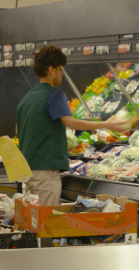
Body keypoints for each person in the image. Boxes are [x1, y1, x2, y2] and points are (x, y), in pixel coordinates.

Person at [16, 45, 127, 205]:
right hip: (46, 172)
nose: (62, 73)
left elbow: (19, 130)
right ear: (51, 70)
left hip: (27, 172)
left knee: (32, 221)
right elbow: (70, 122)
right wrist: (108, 124)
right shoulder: (54, 94)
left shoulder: (28, 97)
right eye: (60, 69)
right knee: (47, 222)